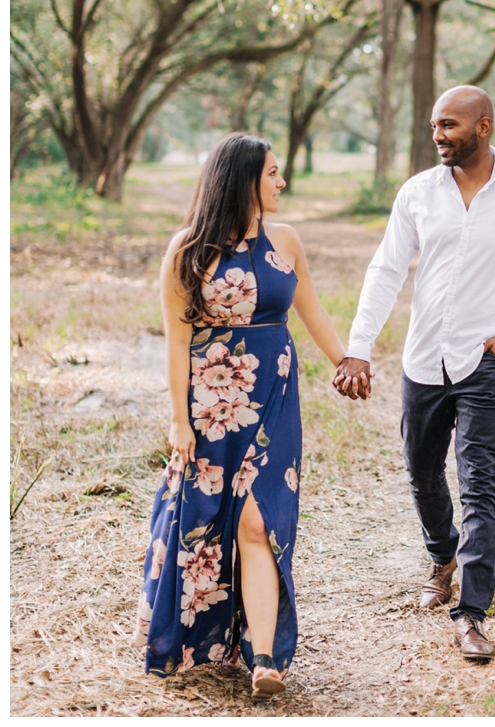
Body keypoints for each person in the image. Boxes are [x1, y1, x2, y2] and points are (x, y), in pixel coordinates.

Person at [333, 86, 495, 660]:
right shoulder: (419, 193)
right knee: (421, 472)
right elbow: (386, 269)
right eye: (434, 126)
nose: (439, 135)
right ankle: (441, 555)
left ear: (484, 126)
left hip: (487, 363)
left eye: (450, 125)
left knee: (480, 484)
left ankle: (470, 613)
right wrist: (359, 347)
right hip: (423, 359)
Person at [132, 132, 348, 698]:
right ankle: (195, 640)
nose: (282, 182)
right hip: (212, 405)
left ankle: (264, 658)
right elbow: (178, 343)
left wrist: (347, 360)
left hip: (274, 399)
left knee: (258, 522)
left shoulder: (287, 240)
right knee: (202, 523)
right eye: (273, 172)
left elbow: (313, 309)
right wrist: (178, 420)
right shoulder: (188, 250)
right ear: (243, 177)